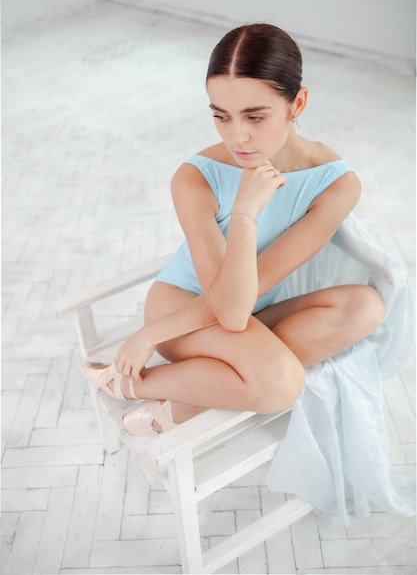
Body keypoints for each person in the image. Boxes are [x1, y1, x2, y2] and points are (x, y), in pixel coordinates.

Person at [84, 22, 386, 436]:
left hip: (249, 306)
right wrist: (244, 211)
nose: (237, 137)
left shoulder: (336, 184)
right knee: (281, 384)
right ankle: (127, 384)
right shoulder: (195, 177)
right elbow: (225, 307)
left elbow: (248, 296)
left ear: (297, 103)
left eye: (255, 116)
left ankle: (190, 399)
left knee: (366, 306)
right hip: (183, 311)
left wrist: (147, 336)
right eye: (220, 117)